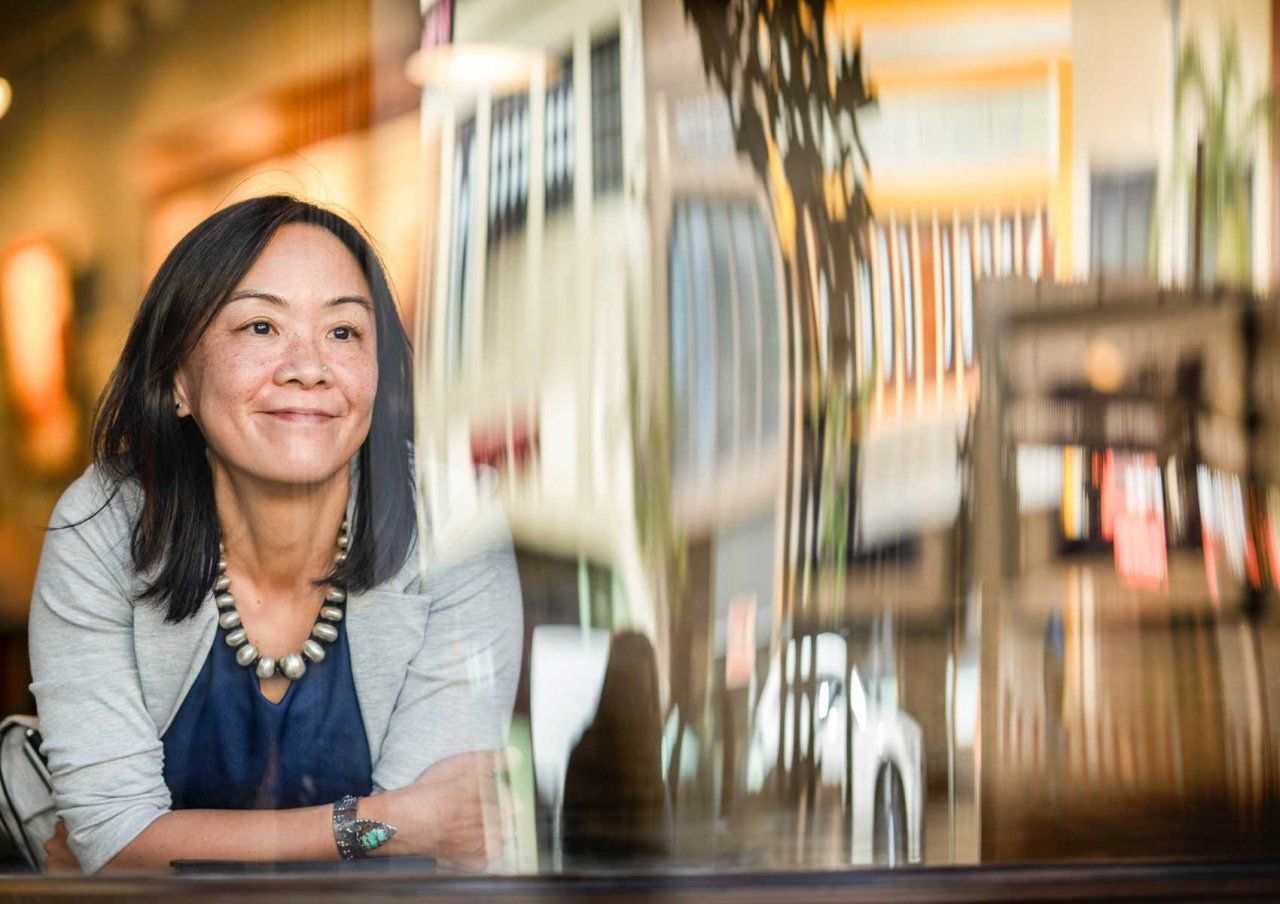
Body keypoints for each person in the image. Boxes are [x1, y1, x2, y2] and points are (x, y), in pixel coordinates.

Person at [26, 195, 523, 874]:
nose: (308, 366)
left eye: (344, 332)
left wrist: (161, 845)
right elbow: (111, 842)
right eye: (261, 327)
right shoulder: (105, 528)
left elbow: (420, 860)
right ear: (177, 377)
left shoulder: (454, 523)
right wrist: (381, 824)